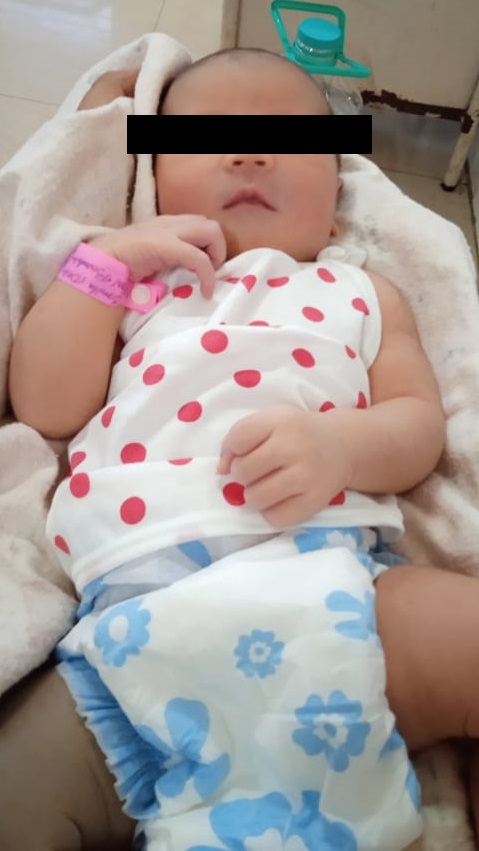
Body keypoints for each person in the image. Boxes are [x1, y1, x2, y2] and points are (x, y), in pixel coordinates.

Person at [2, 48, 479, 851]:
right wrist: (103, 267)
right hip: (136, 637)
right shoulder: (135, 283)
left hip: (340, 595)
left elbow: (417, 425)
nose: (250, 152)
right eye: (208, 135)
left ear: (336, 203)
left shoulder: (362, 291)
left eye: (287, 138)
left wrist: (340, 446)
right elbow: (46, 404)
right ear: (153, 182)